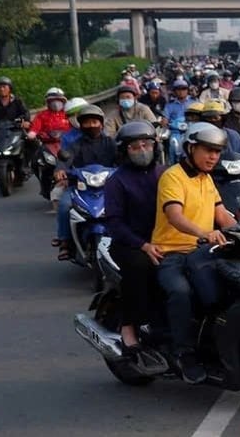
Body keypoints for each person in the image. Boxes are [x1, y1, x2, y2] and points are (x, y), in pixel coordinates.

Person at [151, 123, 237, 383]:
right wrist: (204, 233)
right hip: (171, 253)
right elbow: (174, 216)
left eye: (217, 152)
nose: (213, 157)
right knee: (181, 292)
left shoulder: (206, 178)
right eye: (208, 150)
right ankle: (183, 353)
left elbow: (221, 215)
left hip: (202, 252)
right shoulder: (172, 176)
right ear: (190, 148)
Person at [102, 121, 165, 369]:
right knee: (140, 269)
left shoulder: (166, 174)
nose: (142, 149)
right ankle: (130, 325)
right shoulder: (117, 182)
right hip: (130, 243)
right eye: (135, 146)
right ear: (124, 151)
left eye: (147, 144)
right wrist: (143, 245)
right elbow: (115, 223)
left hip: (165, 239)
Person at [53, 105, 116, 261]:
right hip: (80, 187)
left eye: (94, 122)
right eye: (87, 123)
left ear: (101, 123)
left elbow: (122, 159)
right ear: (81, 125)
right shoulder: (75, 145)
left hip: (108, 187)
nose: (91, 126)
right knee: (64, 205)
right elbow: (65, 160)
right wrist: (60, 170)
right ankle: (65, 241)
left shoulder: (111, 143)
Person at [0, 76, 31, 174]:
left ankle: (25, 164)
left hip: (15, 130)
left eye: (4, 86)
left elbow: (26, 113)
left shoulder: (17, 101)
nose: (2, 89)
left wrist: (26, 122)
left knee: (31, 142)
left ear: (9, 88)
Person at [29, 87, 72, 197]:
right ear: (48, 102)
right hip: (48, 145)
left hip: (66, 145)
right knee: (35, 162)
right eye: (53, 100)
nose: (56, 103)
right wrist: (33, 133)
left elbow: (75, 125)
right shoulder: (42, 115)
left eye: (59, 100)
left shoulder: (68, 114)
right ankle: (44, 185)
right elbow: (35, 127)